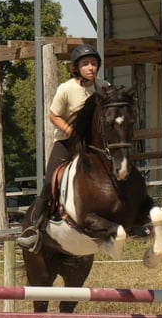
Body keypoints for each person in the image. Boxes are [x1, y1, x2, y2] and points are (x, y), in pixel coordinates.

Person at [17, 44, 109, 253]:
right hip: (67, 144)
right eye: (85, 64)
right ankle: (34, 231)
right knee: (50, 182)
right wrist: (71, 131)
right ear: (76, 68)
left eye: (94, 63)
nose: (91, 67)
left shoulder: (104, 87)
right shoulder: (66, 89)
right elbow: (53, 115)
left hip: (94, 146)